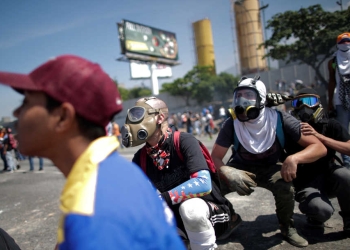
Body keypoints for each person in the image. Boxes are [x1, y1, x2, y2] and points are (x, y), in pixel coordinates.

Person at [0, 55, 185, 250]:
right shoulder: (113, 171)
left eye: (26, 102)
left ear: (63, 117)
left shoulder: (92, 211)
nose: (16, 113)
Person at [211, 76, 327, 248]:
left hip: (271, 167)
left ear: (261, 99)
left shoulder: (280, 119)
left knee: (285, 187)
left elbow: (319, 147)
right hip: (240, 168)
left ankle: (287, 227)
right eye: (239, 95)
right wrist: (226, 171)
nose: (242, 100)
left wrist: (294, 158)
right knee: (212, 188)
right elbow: (215, 157)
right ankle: (231, 219)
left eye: (248, 95)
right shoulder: (232, 124)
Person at [121, 96, 241, 250]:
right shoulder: (140, 158)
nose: (132, 123)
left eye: (139, 115)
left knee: (191, 209)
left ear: (160, 117)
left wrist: (161, 198)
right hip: (177, 216)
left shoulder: (184, 140)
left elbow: (203, 183)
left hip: (210, 211)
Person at [288, 88, 350, 237]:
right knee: (322, 210)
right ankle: (315, 219)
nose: (305, 107)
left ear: (318, 104)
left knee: (345, 175)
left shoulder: (331, 125)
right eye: (299, 103)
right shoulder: (291, 130)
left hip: (329, 175)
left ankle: (349, 221)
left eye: (310, 101)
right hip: (306, 181)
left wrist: (319, 137)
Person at [328, 32, 350, 168]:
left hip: (341, 101)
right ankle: (347, 163)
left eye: (348, 41)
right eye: (343, 41)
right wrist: (330, 101)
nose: (346, 44)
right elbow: (331, 82)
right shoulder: (333, 62)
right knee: (343, 132)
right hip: (341, 101)